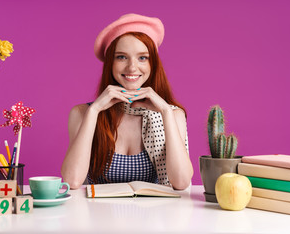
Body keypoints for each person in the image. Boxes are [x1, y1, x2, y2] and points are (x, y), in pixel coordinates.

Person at [61, 13, 193, 190]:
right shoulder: (81, 113)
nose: (132, 67)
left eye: (142, 58)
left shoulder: (173, 114)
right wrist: (94, 112)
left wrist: (166, 112)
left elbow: (181, 182)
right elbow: (72, 181)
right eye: (121, 57)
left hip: (155, 215)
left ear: (153, 64)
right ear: (110, 63)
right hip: (97, 215)